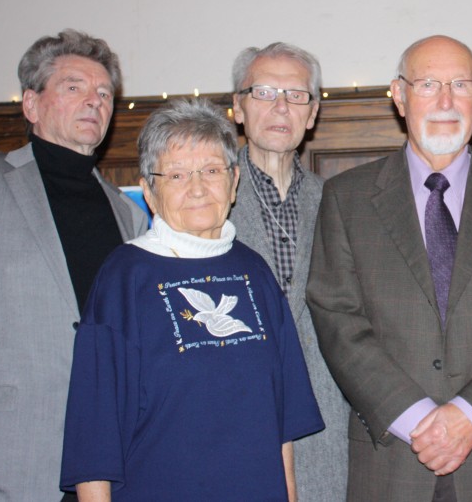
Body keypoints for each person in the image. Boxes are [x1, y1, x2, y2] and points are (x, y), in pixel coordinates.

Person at [306, 35, 472, 501]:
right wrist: (415, 419)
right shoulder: (346, 199)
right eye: (428, 84)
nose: (446, 101)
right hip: (390, 463)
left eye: (461, 85)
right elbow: (339, 322)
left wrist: (470, 416)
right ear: (399, 94)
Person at [60, 98, 323, 501]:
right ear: (149, 189)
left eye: (212, 171)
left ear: (234, 182)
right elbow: (94, 431)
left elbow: (282, 423)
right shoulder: (123, 279)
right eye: (178, 175)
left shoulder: (255, 272)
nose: (198, 188)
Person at [0, 30, 147, 502]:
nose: (94, 101)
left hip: (102, 468)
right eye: (74, 87)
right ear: (31, 103)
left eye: (104, 93)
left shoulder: (127, 213)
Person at [228, 42, 349, 501]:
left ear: (313, 113)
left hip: (325, 422)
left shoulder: (341, 203)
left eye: (297, 95)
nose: (281, 106)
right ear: (238, 108)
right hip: (233, 420)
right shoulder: (203, 202)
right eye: (264, 92)